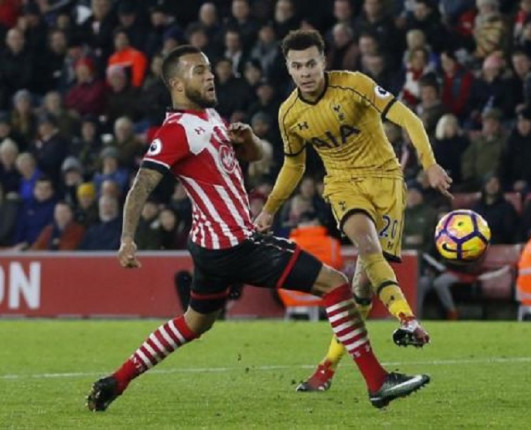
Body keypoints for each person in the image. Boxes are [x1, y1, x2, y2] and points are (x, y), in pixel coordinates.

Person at [86, 45, 429, 412]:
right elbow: (141, 185)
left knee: (194, 323)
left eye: (209, 67)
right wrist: (126, 238)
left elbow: (258, 156)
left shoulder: (210, 117)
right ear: (177, 84)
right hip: (236, 243)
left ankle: (116, 380)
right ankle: (378, 383)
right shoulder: (175, 132)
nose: (210, 74)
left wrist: (248, 141)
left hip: (210, 246)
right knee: (335, 284)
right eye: (199, 70)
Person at [254, 30, 451, 392]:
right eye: (297, 66)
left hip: (386, 181)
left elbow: (408, 118)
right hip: (342, 184)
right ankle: (408, 319)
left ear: (324, 61)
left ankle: (326, 369)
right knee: (366, 244)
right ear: (288, 68)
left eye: (311, 63)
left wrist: (430, 164)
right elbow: (293, 166)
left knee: (361, 290)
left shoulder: (354, 85)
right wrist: (269, 209)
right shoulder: (289, 114)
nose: (305, 72)